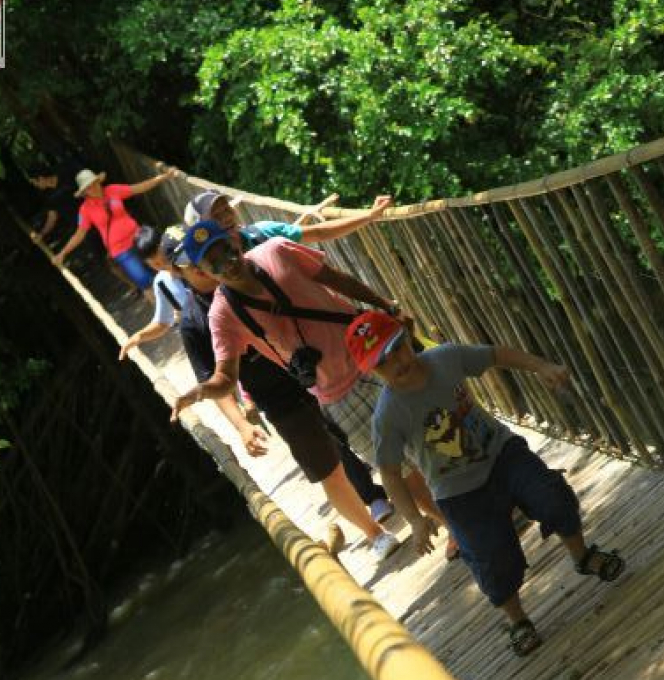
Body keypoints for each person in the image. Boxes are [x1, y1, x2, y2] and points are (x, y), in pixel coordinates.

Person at [345, 310, 626, 657]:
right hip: (457, 492)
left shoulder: (445, 358)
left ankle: (582, 555)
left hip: (501, 453)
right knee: (491, 559)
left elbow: (495, 355)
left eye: (398, 347)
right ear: (372, 373)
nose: (397, 362)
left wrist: (541, 366)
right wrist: (416, 520)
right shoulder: (387, 415)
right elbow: (389, 472)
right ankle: (517, 620)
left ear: (407, 336)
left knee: (552, 496)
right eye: (383, 362)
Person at [170, 220, 453, 548]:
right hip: (336, 393)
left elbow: (335, 279)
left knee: (436, 426)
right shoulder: (221, 315)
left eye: (228, 252)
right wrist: (202, 391)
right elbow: (226, 376)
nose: (228, 263)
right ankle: (455, 526)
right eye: (214, 262)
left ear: (235, 241)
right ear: (204, 271)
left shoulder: (276, 251)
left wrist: (385, 306)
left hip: (374, 358)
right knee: (400, 469)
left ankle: (474, 501)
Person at [123, 226, 399, 561]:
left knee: (353, 441)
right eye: (194, 262)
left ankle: (380, 496)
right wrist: (241, 424)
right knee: (326, 466)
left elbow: (318, 275)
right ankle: (374, 533)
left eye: (212, 254)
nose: (210, 265)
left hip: (322, 368)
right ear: (183, 270)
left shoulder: (255, 264)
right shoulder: (197, 322)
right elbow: (219, 379)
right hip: (279, 398)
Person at [52, 167, 179, 294]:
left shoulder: (112, 190)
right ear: (84, 192)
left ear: (98, 181)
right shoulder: (85, 209)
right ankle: (167, 310)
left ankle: (188, 296)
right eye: (88, 187)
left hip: (139, 239)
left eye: (93, 183)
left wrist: (163, 177)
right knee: (145, 282)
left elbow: (139, 187)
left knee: (165, 265)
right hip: (120, 249)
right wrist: (63, 253)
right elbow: (80, 234)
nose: (93, 187)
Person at [184, 188, 394, 247]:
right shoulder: (209, 281)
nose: (226, 217)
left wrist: (369, 215)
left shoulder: (262, 232)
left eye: (226, 209)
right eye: (216, 216)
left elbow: (320, 233)